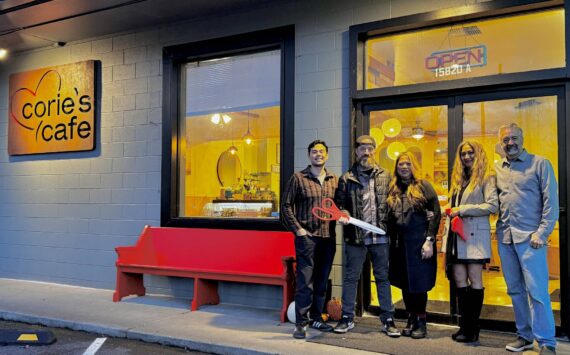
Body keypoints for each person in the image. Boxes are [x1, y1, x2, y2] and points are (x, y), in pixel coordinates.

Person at [495, 123, 559, 355]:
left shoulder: (540, 164)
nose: (510, 143)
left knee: (538, 292)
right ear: (500, 144)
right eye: (505, 140)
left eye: (513, 138)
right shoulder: (497, 168)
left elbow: (551, 202)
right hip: (505, 238)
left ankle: (547, 343)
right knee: (515, 291)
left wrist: (542, 233)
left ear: (522, 139)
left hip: (532, 239)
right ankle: (525, 336)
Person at [333, 135, 400, 337]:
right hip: (355, 236)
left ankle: (388, 319)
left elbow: (393, 203)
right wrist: (342, 213)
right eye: (362, 148)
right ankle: (346, 318)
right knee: (351, 277)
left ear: (374, 150)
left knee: (382, 278)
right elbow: (339, 204)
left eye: (370, 148)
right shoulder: (346, 178)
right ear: (356, 152)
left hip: (380, 237)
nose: (366, 152)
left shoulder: (386, 176)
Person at [281, 140, 338, 339]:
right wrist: (298, 230)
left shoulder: (334, 180)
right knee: (306, 283)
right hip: (307, 239)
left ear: (327, 155)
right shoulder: (298, 178)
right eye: (314, 152)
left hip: (328, 238)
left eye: (322, 151)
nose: (318, 154)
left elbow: (339, 208)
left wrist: (345, 215)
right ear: (309, 156)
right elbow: (286, 206)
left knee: (322, 282)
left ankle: (316, 318)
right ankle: (301, 323)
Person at [443, 140, 498, 343]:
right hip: (456, 235)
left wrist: (462, 210)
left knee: (475, 280)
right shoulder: (458, 178)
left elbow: (492, 206)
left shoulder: (487, 177)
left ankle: (473, 328)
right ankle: (464, 326)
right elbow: (454, 204)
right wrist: (443, 209)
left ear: (478, 154)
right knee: (459, 279)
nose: (466, 157)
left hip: (474, 236)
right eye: (463, 153)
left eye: (470, 153)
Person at [386, 151, 441, 339]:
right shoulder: (393, 189)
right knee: (405, 284)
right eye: (401, 164)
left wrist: (429, 240)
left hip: (419, 244)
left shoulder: (424, 186)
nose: (404, 167)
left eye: (408, 164)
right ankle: (410, 318)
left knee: (418, 285)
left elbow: (436, 213)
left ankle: (421, 321)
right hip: (399, 246)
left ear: (413, 166)